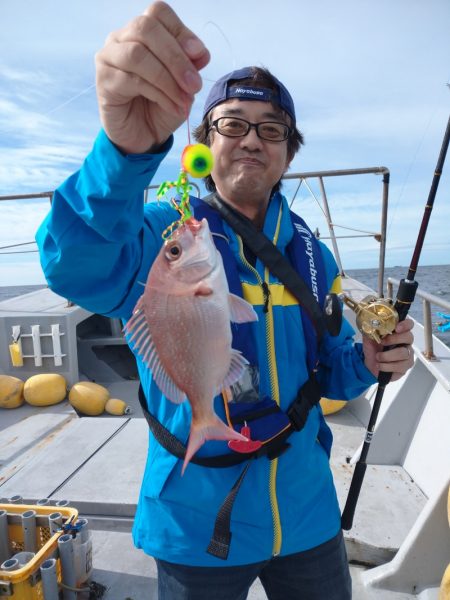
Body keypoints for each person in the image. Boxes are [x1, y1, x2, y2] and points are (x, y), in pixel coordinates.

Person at [36, 2, 415, 598]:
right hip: (192, 518)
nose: (251, 141)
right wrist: (121, 151)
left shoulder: (316, 259)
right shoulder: (165, 232)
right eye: (232, 124)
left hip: (307, 515)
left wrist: (369, 362)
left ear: (289, 153)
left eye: (272, 130)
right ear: (203, 142)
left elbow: (333, 375)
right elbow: (72, 262)